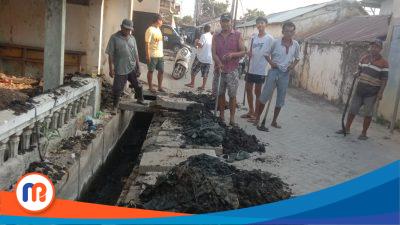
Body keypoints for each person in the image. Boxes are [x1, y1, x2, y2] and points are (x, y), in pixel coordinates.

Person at [251, 22, 300, 128]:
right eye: (287, 31)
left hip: (285, 74)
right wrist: (271, 63)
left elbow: (297, 58)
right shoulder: (275, 42)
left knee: (280, 98)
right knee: (264, 96)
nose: (289, 33)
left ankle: (274, 121)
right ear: (283, 32)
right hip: (274, 71)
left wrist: (292, 66)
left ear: (294, 32)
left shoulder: (296, 44)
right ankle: (258, 118)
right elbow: (266, 54)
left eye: (291, 31)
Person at [337, 39, 388, 140]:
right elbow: (359, 70)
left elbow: (384, 79)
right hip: (359, 90)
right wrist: (357, 73)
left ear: (380, 49)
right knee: (352, 110)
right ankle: (346, 128)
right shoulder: (364, 58)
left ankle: (364, 133)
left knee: (368, 113)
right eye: (372, 46)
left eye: (376, 47)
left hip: (371, 93)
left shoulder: (384, 63)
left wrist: (380, 93)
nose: (374, 49)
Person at [212, 13, 246, 126]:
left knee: (232, 96)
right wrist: (218, 63)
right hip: (219, 70)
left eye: (227, 21)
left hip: (232, 70)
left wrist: (232, 55)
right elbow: (214, 53)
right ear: (220, 22)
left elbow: (243, 52)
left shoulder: (237, 35)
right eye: (223, 21)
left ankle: (232, 119)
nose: (225, 23)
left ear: (231, 22)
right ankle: (221, 116)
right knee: (220, 94)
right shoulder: (216, 36)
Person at [106, 19, 144, 114]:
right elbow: (110, 54)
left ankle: (140, 99)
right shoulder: (114, 38)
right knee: (117, 88)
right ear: (121, 27)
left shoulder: (132, 39)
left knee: (137, 84)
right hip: (120, 68)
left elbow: (136, 54)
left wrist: (138, 67)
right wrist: (111, 69)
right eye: (126, 29)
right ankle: (115, 106)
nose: (127, 31)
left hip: (132, 67)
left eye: (129, 30)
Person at [241, 16, 274, 119]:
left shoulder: (269, 38)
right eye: (258, 23)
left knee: (257, 92)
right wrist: (248, 54)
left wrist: (272, 64)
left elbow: (273, 52)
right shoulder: (253, 37)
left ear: (266, 25)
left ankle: (256, 113)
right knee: (248, 89)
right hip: (251, 68)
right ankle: (250, 111)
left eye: (262, 23)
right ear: (256, 25)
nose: (260, 25)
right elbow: (249, 50)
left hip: (261, 69)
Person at [185, 24, 213, 90]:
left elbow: (200, 45)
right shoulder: (211, 37)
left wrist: (196, 42)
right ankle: (203, 87)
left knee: (193, 70)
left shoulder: (203, 35)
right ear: (210, 30)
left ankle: (192, 83)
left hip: (201, 57)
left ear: (204, 29)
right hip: (208, 58)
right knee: (205, 73)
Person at [145, 14, 165, 93]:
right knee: (151, 71)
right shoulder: (150, 30)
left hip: (160, 55)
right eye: (161, 20)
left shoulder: (158, 29)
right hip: (152, 55)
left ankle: (159, 87)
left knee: (161, 70)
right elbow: (147, 43)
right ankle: (150, 87)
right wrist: (147, 55)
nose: (162, 22)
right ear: (158, 20)